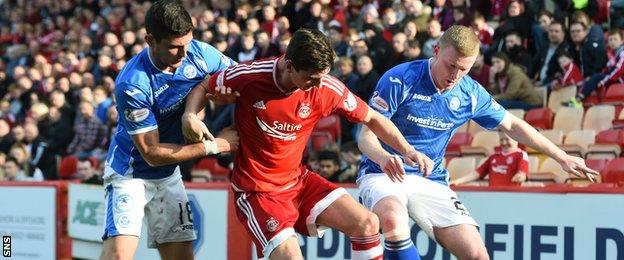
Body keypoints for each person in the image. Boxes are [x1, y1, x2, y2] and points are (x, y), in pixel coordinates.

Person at [182, 28, 430, 260]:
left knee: (367, 224)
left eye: (323, 77)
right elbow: (205, 86)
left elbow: (373, 118)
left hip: (297, 181)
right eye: (312, 79)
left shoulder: (326, 88)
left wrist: (408, 150)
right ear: (289, 66)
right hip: (257, 191)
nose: (319, 85)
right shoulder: (250, 76)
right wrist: (190, 116)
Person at [357, 25, 598, 260]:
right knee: (393, 220)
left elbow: (513, 125)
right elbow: (366, 136)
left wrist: (562, 157)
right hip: (384, 171)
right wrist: (383, 157)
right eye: (451, 66)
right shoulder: (401, 79)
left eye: (464, 69)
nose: (455, 76)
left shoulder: (469, 93)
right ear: (437, 51)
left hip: (430, 177)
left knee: (477, 255)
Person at [99, 1, 238, 260]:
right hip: (131, 173)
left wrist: (219, 95)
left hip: (168, 176)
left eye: (188, 42)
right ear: (149, 40)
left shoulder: (201, 53)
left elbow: (240, 78)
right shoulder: (133, 83)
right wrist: (215, 145)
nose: (184, 53)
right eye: (174, 47)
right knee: (119, 255)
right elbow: (152, 152)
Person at [450, 132, 528, 186]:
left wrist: (521, 177)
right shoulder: (493, 157)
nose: (504, 143)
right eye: (501, 140)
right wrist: (457, 181)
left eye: (507, 140)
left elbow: (522, 174)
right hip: (492, 195)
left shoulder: (521, 155)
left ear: (516, 140)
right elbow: (477, 173)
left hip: (511, 195)